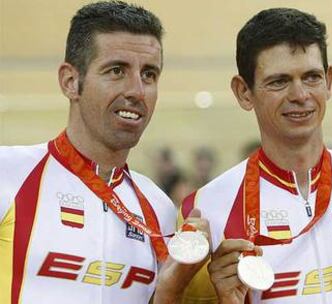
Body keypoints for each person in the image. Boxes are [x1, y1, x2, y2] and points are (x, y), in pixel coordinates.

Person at [179, 8, 332, 304]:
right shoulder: (206, 207)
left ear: (328, 81)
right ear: (243, 92)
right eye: (279, 81)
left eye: (311, 77)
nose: (300, 94)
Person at [0, 2, 205, 303]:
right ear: (71, 82)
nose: (137, 90)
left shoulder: (159, 209)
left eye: (149, 74)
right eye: (116, 70)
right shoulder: (9, 173)